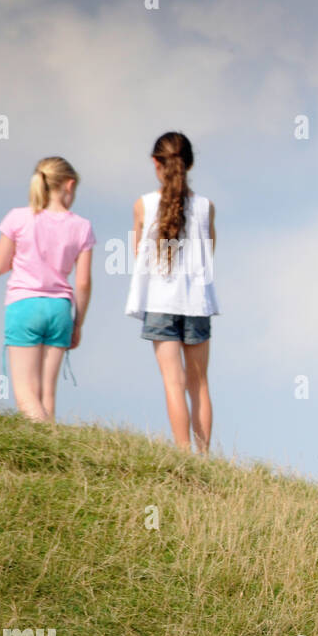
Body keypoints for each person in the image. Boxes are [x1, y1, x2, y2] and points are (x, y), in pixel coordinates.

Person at [125, 131, 218, 453]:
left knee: (173, 383)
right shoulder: (206, 207)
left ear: (156, 163)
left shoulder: (143, 205)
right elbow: (211, 252)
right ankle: (204, 455)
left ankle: (183, 453)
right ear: (189, 163)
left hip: (160, 302)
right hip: (197, 303)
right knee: (199, 384)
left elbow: (137, 253)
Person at [0, 157, 95, 422]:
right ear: (69, 185)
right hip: (60, 308)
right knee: (47, 395)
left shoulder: (17, 218)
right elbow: (83, 282)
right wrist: (78, 323)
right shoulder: (82, 226)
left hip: (24, 304)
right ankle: (52, 451)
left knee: (26, 395)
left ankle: (47, 458)